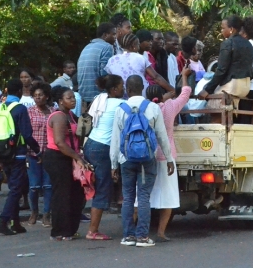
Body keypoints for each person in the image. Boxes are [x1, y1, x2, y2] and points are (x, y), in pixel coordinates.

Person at [110, 75, 175, 247]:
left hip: (126, 159)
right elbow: (161, 135)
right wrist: (169, 159)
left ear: (128, 90)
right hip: (147, 159)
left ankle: (128, 236)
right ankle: (142, 237)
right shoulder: (153, 108)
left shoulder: (120, 109)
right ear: (143, 89)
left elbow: (115, 139)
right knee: (144, 197)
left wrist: (113, 164)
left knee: (128, 197)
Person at [140, 74, 191, 241]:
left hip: (145, 155)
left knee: (142, 196)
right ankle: (161, 232)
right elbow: (186, 93)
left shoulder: (143, 108)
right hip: (167, 157)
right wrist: (184, 76)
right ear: (162, 95)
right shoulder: (170, 107)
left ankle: (138, 231)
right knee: (168, 196)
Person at [44, 86, 91, 241]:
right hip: (58, 157)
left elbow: (80, 134)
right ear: (60, 101)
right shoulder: (58, 116)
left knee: (76, 194)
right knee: (62, 194)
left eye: (73, 97)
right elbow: (60, 142)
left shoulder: (70, 115)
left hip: (70, 156)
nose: (73, 100)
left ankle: (70, 229)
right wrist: (78, 158)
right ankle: (59, 231)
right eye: (69, 98)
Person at [0, 79, 40, 235]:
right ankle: (3, 220)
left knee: (14, 188)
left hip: (2, 152)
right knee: (16, 189)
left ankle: (15, 223)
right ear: (20, 92)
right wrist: (38, 150)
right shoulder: (20, 109)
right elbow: (27, 134)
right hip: (18, 153)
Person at [82, 74, 125, 240]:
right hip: (103, 148)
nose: (124, 89)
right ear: (114, 89)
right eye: (121, 86)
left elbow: (86, 121)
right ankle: (92, 231)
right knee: (102, 188)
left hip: (91, 144)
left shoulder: (100, 99)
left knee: (94, 185)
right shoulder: (121, 104)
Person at [197, 16, 253, 105]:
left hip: (232, 86)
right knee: (229, 114)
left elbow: (221, 70)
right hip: (245, 86)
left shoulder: (228, 43)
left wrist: (207, 89)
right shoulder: (248, 44)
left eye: (223, 28)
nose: (221, 31)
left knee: (215, 114)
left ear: (231, 29)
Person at [105, 33, 174, 97]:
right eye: (138, 44)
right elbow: (156, 77)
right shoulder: (140, 58)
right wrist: (173, 90)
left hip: (121, 95)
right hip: (140, 95)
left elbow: (110, 80)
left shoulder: (112, 60)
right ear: (133, 46)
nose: (139, 47)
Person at [26, 82, 55, 227]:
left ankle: (46, 214)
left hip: (49, 153)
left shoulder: (53, 111)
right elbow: (26, 134)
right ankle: (34, 212)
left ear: (46, 96)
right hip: (33, 154)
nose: (38, 98)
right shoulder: (29, 112)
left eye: (40, 95)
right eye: (35, 96)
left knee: (48, 186)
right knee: (34, 186)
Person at [77, 22, 117, 105]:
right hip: (98, 97)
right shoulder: (107, 47)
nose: (115, 38)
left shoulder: (87, 47)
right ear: (105, 35)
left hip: (83, 95)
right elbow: (105, 74)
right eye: (113, 34)